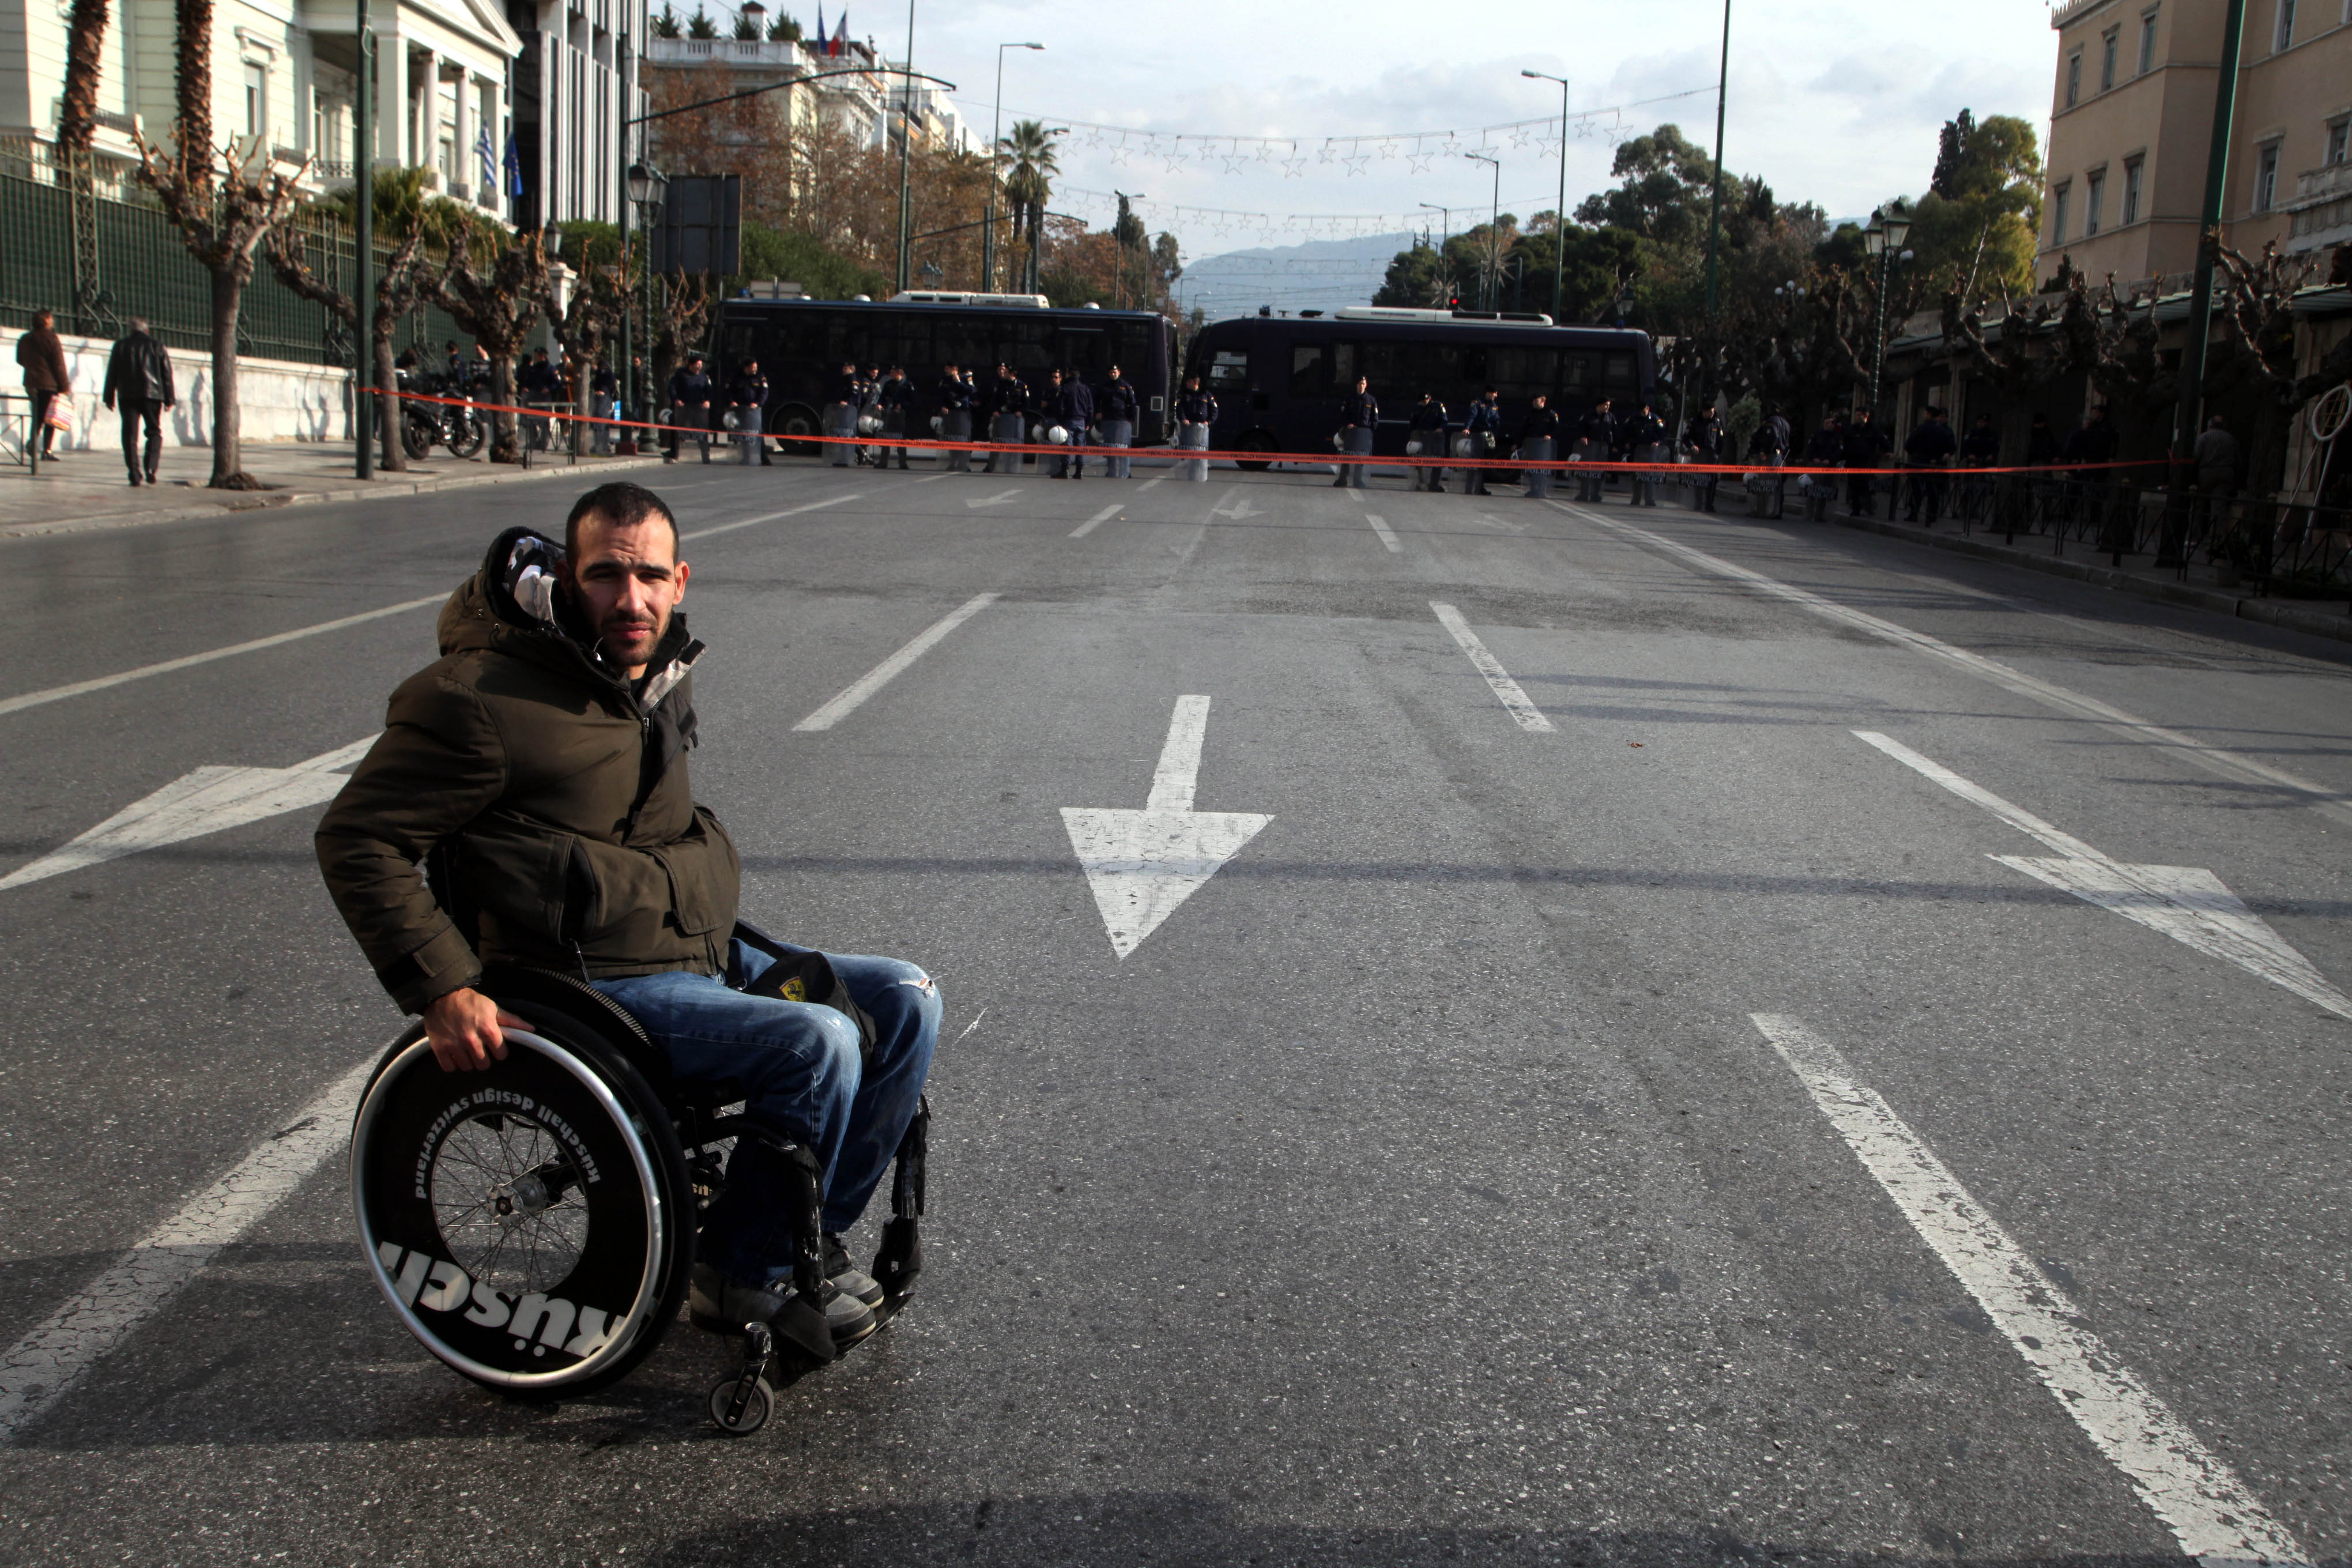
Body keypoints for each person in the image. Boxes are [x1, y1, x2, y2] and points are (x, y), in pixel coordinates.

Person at [315, 482, 941, 1349]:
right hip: (591, 982)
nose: (631, 598)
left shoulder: (652, 671)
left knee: (906, 999)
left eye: (649, 576)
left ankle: (803, 1239)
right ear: (569, 581)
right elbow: (358, 838)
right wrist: (443, 988)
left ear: (680, 580)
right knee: (818, 1042)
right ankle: (739, 1273)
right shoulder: (479, 699)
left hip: (697, 950)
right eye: (606, 575)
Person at [101, 315, 174, 487]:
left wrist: (109, 396)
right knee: (154, 431)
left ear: (131, 329)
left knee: (129, 435)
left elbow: (112, 372)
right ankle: (151, 468)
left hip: (127, 395)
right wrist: (169, 398)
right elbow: (166, 373)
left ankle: (134, 473)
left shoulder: (121, 346)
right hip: (152, 395)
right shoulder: (157, 345)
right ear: (146, 329)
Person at [17, 307, 71, 462]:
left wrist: (32, 368)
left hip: (31, 383)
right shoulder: (52, 338)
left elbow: (20, 360)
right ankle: (46, 450)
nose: (53, 321)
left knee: (37, 415)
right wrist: (65, 386)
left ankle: (33, 442)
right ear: (46, 321)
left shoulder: (25, 339)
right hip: (49, 384)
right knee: (50, 418)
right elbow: (58, 365)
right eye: (51, 319)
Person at [1902, 405, 1958, 523]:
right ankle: (1931, 515)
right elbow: (1951, 448)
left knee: (1917, 490)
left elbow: (1908, 445)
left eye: (1925, 413)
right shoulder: (1942, 431)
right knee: (1932, 489)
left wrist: (1915, 454)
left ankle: (1914, 513)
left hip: (1919, 463)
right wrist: (1941, 457)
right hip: (1934, 465)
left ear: (1928, 415)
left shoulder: (1921, 429)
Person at [1049, 367, 1094, 479]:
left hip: (1069, 420)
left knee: (1067, 445)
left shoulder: (1065, 388)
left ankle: (1065, 470)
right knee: (1080, 446)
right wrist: (1088, 422)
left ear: (1068, 375)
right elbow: (1090, 408)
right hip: (1082, 421)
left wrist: (1061, 420)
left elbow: (1060, 406)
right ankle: (1079, 471)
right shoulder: (1085, 389)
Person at [1333, 374, 1377, 488]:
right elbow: (1344, 415)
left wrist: (1368, 431)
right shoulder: (1350, 399)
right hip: (1351, 433)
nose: (1361, 386)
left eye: (1363, 384)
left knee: (1360, 459)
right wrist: (1348, 424)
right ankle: (1342, 480)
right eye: (1360, 384)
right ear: (1356, 385)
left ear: (1366, 385)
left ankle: (1358, 481)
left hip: (1363, 434)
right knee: (1347, 456)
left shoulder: (1371, 400)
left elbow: (1375, 420)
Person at [668, 353, 713, 464]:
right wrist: (676, 399)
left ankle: (705, 456)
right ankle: (675, 454)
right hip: (683, 408)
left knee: (701, 433)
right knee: (678, 431)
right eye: (698, 364)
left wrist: (708, 400)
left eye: (701, 365)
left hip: (699, 409)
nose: (700, 367)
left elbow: (709, 390)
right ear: (691, 365)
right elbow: (672, 388)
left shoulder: (704, 377)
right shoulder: (681, 375)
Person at [984, 363, 1028, 474]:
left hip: (1015, 420)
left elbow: (1026, 402)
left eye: (1006, 372)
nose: (1004, 373)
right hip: (1002, 418)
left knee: (1012, 445)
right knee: (997, 443)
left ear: (1012, 374)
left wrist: (1021, 411)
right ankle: (991, 466)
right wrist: (995, 411)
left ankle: (1010, 467)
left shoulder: (1021, 386)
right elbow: (994, 400)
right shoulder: (1001, 384)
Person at [1842, 408, 1887, 518]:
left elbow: (1883, 441)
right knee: (1854, 486)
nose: (1857, 417)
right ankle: (1856, 509)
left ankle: (1868, 506)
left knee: (1866, 486)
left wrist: (1889, 451)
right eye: (1856, 415)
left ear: (1866, 416)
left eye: (1860, 415)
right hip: (1853, 462)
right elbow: (1846, 444)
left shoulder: (1873, 429)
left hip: (1867, 463)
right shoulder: (1853, 429)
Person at [1801, 413, 1845, 520]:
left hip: (1830, 467)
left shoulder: (1837, 437)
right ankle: (1809, 515)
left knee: (1824, 492)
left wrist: (1830, 460)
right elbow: (1810, 448)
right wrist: (1814, 458)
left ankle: (1820, 515)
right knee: (1812, 490)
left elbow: (1839, 452)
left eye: (1829, 423)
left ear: (1833, 425)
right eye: (1825, 423)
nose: (1826, 425)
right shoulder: (1817, 435)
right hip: (1816, 466)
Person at [1098, 364, 1139, 478]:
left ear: (1119, 372)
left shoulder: (1125, 386)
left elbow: (1132, 403)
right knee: (1110, 448)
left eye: (1115, 372)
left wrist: (1131, 418)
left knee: (1122, 447)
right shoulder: (1104, 386)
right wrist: (1099, 412)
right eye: (1111, 372)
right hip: (1108, 419)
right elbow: (1097, 400)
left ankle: (1125, 472)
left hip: (1122, 420)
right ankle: (1112, 471)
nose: (1113, 374)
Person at [1517, 394, 1560, 499]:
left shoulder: (1551, 414)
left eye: (1536, 401)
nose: (1534, 403)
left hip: (1543, 446)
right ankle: (1533, 490)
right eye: (1533, 401)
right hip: (1531, 444)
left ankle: (1541, 491)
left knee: (1541, 470)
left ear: (1542, 402)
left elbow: (1556, 428)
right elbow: (1524, 429)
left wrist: (1550, 435)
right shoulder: (1531, 414)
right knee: (1532, 470)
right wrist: (1518, 443)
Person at [1175, 374, 1216, 482]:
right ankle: (1189, 473)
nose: (1186, 383)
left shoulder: (1206, 394)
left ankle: (1201, 473)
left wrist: (1209, 422)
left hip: (1202, 429)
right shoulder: (1184, 394)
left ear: (1195, 383)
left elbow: (1214, 410)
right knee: (1189, 450)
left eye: (1189, 381)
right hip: (1189, 427)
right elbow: (1180, 408)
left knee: (1200, 451)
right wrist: (1183, 419)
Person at [729, 359, 770, 466]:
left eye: (756, 367)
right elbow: (728, 391)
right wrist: (732, 402)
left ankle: (764, 458)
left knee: (758, 434)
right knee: (744, 435)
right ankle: (746, 458)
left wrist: (758, 403)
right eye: (753, 368)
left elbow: (764, 392)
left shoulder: (760, 377)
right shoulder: (736, 377)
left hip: (754, 411)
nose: (755, 369)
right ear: (746, 368)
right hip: (740, 410)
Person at [1626, 400, 1668, 507]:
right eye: (1640, 411)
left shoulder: (1655, 419)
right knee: (1637, 476)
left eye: (1643, 411)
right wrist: (1628, 442)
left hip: (1651, 451)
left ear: (1648, 409)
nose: (1642, 413)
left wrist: (1658, 442)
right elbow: (1626, 431)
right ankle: (1636, 499)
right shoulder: (1634, 418)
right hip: (1637, 450)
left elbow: (1663, 434)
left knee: (1649, 476)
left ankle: (1650, 499)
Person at [1462, 388, 1502, 497]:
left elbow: (1496, 421)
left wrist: (1495, 435)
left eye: (1496, 394)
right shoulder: (1478, 403)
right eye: (1494, 393)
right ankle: (1469, 487)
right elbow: (1472, 416)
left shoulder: (1494, 406)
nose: (1495, 396)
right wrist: (1467, 428)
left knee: (1484, 464)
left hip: (1487, 437)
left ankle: (1480, 487)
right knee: (1473, 462)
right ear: (1488, 393)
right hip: (1477, 434)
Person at [935, 362, 974, 473]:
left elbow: (971, 391)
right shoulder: (945, 380)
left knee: (963, 439)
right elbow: (941, 395)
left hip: (962, 414)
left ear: (954, 369)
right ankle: (952, 463)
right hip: (950, 413)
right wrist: (943, 406)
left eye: (948, 369)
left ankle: (963, 464)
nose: (946, 371)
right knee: (951, 439)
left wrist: (959, 382)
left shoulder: (966, 378)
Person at [1683, 402, 1722, 512]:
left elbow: (1720, 440)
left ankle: (1709, 505)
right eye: (1711, 411)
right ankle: (1698, 503)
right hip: (1699, 455)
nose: (1713, 413)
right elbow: (1686, 437)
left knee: (1712, 481)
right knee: (1699, 480)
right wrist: (1692, 446)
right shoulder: (1694, 421)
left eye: (1713, 411)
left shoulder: (1716, 422)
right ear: (1705, 412)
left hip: (1711, 456)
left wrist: (1717, 453)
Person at [1572, 397, 1612, 502]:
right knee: (1587, 472)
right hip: (1589, 448)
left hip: (1602, 449)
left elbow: (1614, 431)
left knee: (1598, 473)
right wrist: (1583, 436)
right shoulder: (1588, 416)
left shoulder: (1609, 417)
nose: (1607, 407)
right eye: (1606, 405)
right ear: (1599, 405)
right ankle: (1584, 494)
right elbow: (1580, 428)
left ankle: (1596, 495)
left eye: (1609, 405)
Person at [1407, 392, 1449, 492]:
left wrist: (1441, 428)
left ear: (1429, 399)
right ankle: (1421, 482)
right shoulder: (1417, 408)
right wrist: (1413, 435)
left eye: (1425, 400)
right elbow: (1413, 423)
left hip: (1436, 439)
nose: (1423, 403)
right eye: (1422, 401)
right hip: (1422, 438)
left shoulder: (1438, 406)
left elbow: (1444, 420)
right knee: (1420, 461)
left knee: (1436, 461)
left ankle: (1434, 484)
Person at [824, 359, 860, 468]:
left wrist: (847, 402)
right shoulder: (843, 379)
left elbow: (855, 395)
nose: (844, 370)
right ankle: (841, 457)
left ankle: (847, 457)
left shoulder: (852, 379)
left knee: (846, 435)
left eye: (846, 368)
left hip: (847, 412)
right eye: (844, 368)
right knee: (840, 435)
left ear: (851, 369)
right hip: (840, 411)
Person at [876, 365, 913, 470]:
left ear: (899, 373)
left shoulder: (907, 385)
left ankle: (903, 463)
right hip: (889, 414)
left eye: (893, 373)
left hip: (901, 415)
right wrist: (880, 405)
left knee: (901, 439)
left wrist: (902, 406)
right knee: (886, 438)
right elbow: (882, 397)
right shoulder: (888, 384)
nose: (891, 375)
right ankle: (883, 462)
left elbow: (911, 400)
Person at [2193, 413, 2240, 496]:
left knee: (2202, 498)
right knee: (2220, 499)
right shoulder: (2230, 438)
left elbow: (2197, 456)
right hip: (2226, 471)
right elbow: (2237, 458)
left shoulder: (2203, 437)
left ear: (2210, 425)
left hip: (2207, 472)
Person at [591, 359, 620, 455]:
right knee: (597, 423)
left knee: (602, 423)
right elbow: (596, 384)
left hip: (606, 399)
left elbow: (610, 385)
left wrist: (603, 391)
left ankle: (603, 444)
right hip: (599, 399)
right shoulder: (599, 374)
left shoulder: (609, 374)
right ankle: (599, 444)